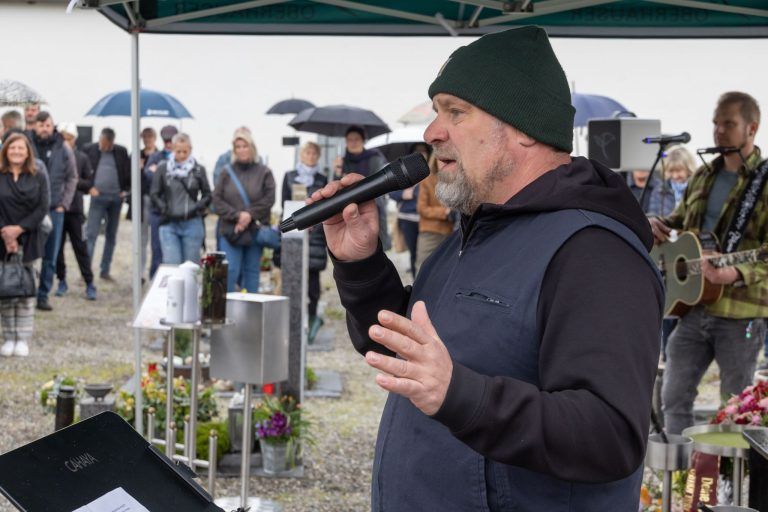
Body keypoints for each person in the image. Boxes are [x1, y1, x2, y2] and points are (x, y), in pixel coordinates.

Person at [313, 27, 663, 511]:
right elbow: (403, 355)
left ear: (522, 127)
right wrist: (360, 263)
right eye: (436, 112)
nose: (433, 132)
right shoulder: (476, 233)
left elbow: (609, 435)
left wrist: (460, 394)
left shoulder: (593, 251)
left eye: (455, 111)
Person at [650, 91, 768, 435]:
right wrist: (658, 226)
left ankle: (730, 483)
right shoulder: (703, 176)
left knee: (735, 409)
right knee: (672, 396)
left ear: (752, 128)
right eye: (716, 123)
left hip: (741, 313)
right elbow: (680, 223)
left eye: (728, 123)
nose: (718, 131)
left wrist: (736, 271)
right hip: (694, 306)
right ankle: (684, 480)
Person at [0, 133, 49, 357]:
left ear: (28, 151)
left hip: (30, 238)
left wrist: (19, 229)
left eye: (21, 148)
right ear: (5, 151)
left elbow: (43, 206)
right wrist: (7, 234)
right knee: (6, 290)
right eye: (12, 149)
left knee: (27, 290)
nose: (16, 152)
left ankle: (23, 338)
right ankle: (9, 337)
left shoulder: (38, 174)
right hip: (2, 240)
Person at [212, 129, 274, 293]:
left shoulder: (264, 172)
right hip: (232, 231)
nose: (241, 150)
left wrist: (249, 215)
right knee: (230, 272)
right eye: (237, 147)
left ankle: (251, 316)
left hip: (254, 232)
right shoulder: (226, 172)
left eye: (244, 146)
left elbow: (269, 198)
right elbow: (217, 200)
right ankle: (228, 313)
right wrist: (238, 216)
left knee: (252, 275)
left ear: (251, 147)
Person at [280, 141, 328, 342]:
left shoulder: (322, 178)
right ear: (301, 154)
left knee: (313, 280)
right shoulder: (290, 177)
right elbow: (284, 203)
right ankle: (291, 320)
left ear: (317, 156)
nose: (310, 156)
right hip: (294, 232)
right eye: (307, 152)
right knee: (293, 275)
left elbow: (326, 205)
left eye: (314, 153)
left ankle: (312, 316)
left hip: (315, 233)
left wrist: (314, 223)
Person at [30, 111, 77, 311]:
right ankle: (25, 291)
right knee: (29, 254)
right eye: (41, 125)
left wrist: (64, 203)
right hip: (30, 209)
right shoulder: (26, 145)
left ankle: (43, 295)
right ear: (35, 126)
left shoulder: (63, 147)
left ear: (52, 126)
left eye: (47, 125)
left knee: (51, 254)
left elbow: (72, 177)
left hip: (55, 208)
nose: (44, 129)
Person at [150, 133, 210, 264]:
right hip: (169, 222)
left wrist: (197, 207)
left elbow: (207, 194)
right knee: (172, 264)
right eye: (178, 151)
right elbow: (154, 193)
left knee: (190, 266)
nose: (182, 155)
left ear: (190, 149)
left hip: (192, 221)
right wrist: (164, 208)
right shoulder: (163, 168)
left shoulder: (198, 169)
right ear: (172, 150)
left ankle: (190, 285)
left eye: (185, 151)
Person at [55, 123, 96, 301]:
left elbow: (89, 183)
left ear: (75, 139)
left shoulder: (82, 158)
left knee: (81, 247)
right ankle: (61, 280)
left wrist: (73, 182)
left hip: (76, 210)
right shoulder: (56, 157)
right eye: (63, 138)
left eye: (69, 138)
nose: (66, 141)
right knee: (57, 248)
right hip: (58, 208)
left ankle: (89, 282)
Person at [83, 127, 131, 281]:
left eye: (106, 144)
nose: (102, 147)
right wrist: (89, 187)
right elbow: (82, 171)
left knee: (111, 235)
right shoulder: (89, 149)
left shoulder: (121, 152)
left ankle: (105, 270)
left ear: (111, 142)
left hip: (116, 199)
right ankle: (86, 271)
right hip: (97, 198)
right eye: (101, 143)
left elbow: (128, 172)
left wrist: (125, 191)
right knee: (91, 234)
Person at [333, 125, 391, 251]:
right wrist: (337, 172)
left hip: (372, 207)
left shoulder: (374, 158)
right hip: (348, 210)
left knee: (375, 249)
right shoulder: (342, 161)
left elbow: (377, 182)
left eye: (356, 139)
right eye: (350, 139)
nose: (353, 142)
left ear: (363, 140)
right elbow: (335, 189)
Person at [389, 142, 428, 277]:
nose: (421, 153)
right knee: (414, 252)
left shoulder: (434, 173)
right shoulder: (404, 172)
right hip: (408, 219)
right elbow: (391, 192)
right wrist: (403, 194)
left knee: (427, 254)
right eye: (417, 151)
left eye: (423, 151)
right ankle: (415, 281)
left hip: (428, 219)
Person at [144, 125, 178, 278]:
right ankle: (154, 279)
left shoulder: (181, 157)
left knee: (172, 250)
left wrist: (158, 171)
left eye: (171, 140)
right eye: (166, 141)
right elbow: (149, 177)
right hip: (158, 210)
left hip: (176, 211)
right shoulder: (156, 156)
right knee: (157, 248)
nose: (169, 144)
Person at [415, 154, 454, 274]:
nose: (445, 163)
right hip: (430, 231)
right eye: (442, 160)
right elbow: (422, 209)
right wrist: (444, 212)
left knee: (447, 270)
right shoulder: (427, 180)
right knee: (423, 268)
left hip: (451, 231)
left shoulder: (457, 180)